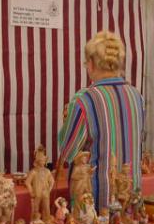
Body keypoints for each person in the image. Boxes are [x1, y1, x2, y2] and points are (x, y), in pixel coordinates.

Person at [58, 31, 144, 211]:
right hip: (132, 201)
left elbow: (68, 151)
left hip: (97, 206)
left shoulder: (85, 100)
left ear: (90, 64)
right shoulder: (136, 96)